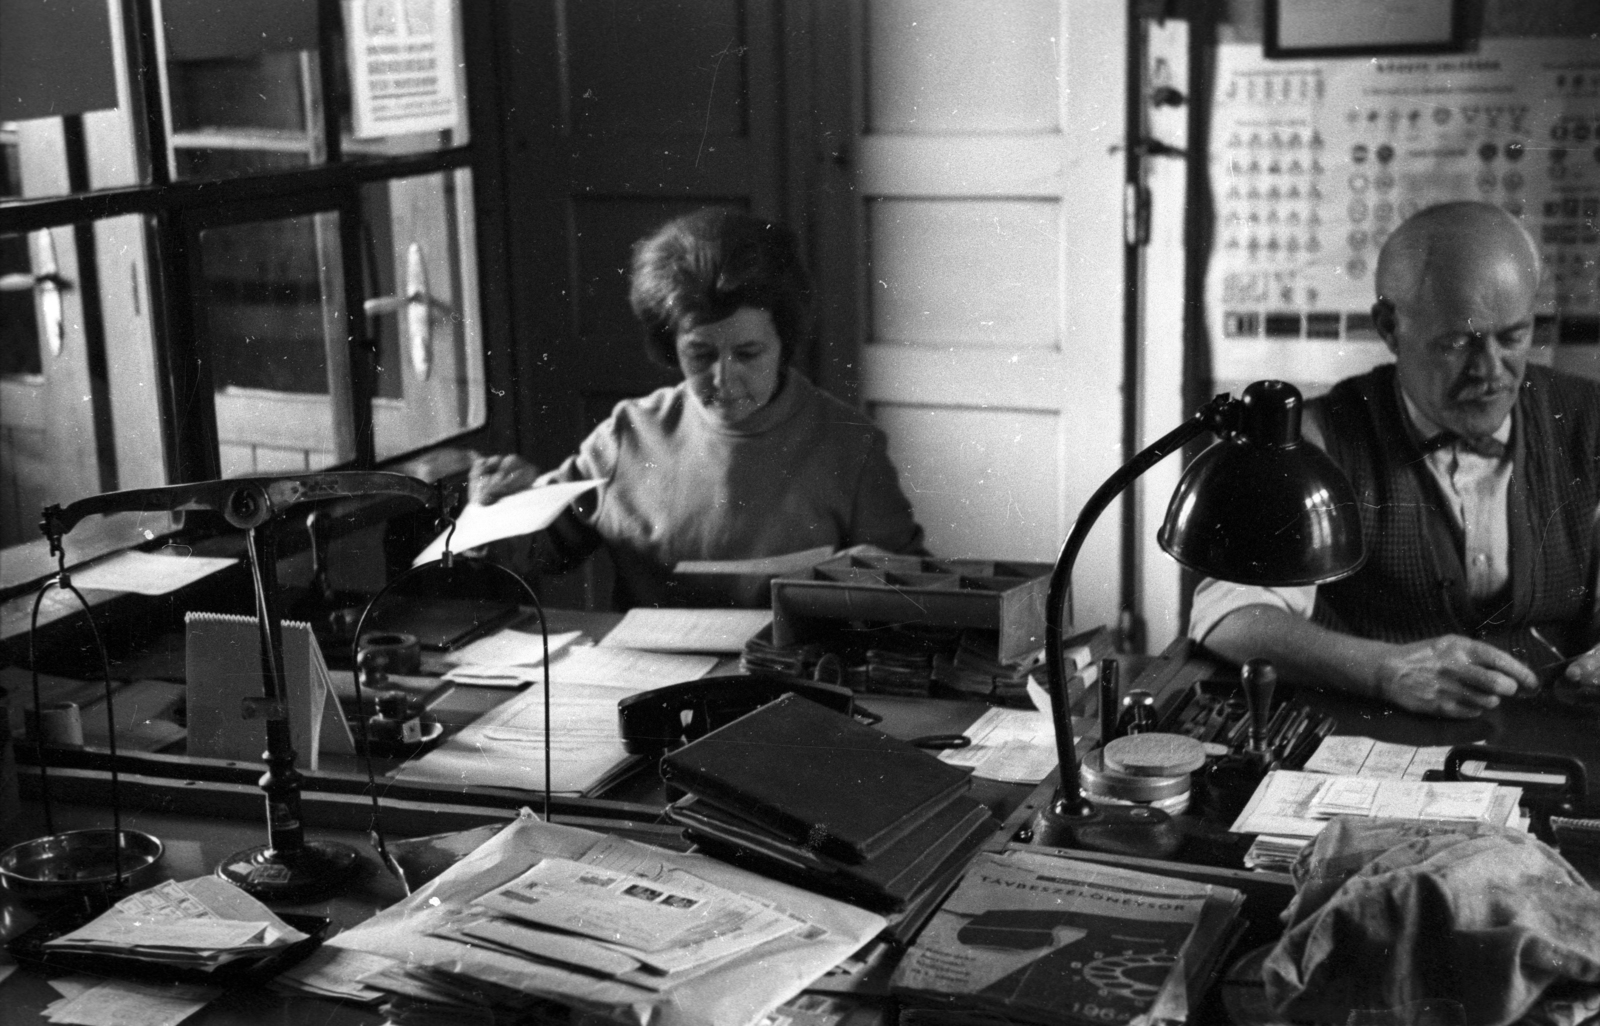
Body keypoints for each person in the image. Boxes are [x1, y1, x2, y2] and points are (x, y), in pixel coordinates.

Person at [1189, 200, 1600, 719]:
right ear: (1389, 326)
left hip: (1557, 738)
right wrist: (1384, 670)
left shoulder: (1588, 421)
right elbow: (1229, 616)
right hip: (1372, 741)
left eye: (1513, 337)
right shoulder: (1320, 439)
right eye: (1457, 343)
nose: (1490, 371)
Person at [469, 207, 926, 608]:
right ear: (670, 347)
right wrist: (497, 512)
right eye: (701, 355)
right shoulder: (631, 433)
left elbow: (908, 594)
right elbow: (540, 550)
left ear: (784, 342)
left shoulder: (850, 445)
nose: (724, 381)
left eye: (748, 354)